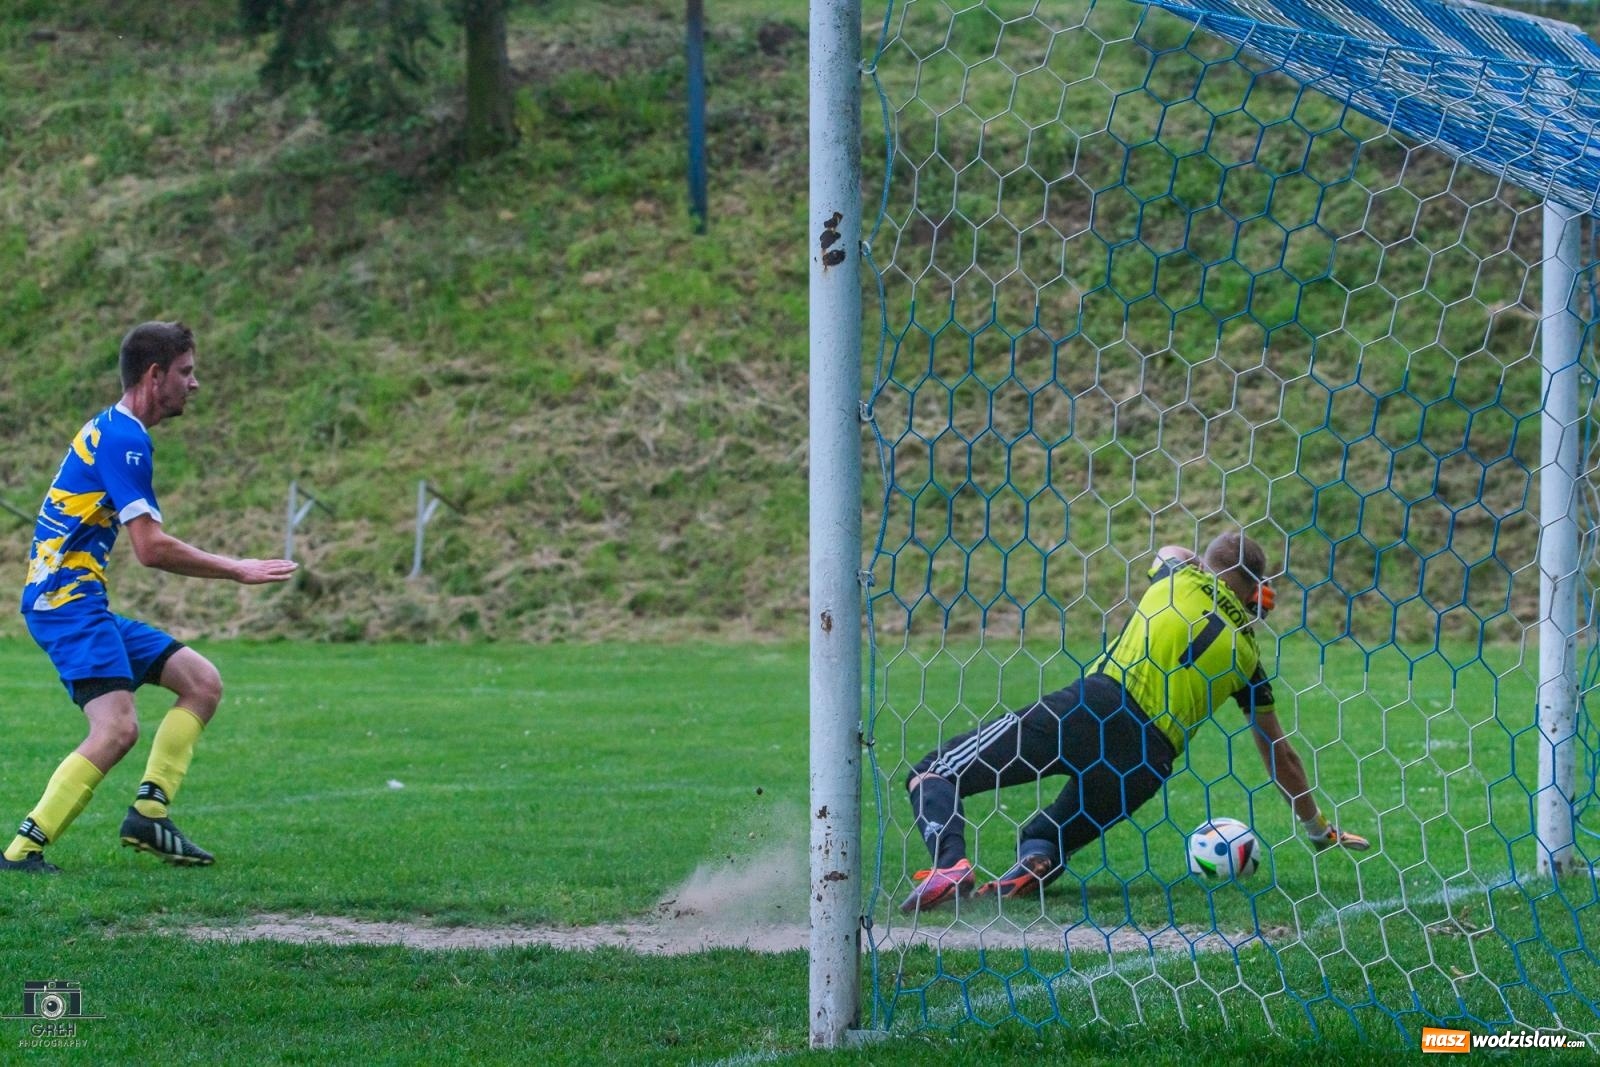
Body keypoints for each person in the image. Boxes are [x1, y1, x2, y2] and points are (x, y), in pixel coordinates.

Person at [900, 532, 1369, 913]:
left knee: (935, 772)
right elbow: (1278, 752)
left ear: (1208, 566)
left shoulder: (1180, 577)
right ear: (1256, 591)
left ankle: (948, 863)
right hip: (1147, 763)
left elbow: (1171, 548)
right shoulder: (1249, 658)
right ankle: (1035, 863)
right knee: (1048, 835)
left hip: (1096, 708)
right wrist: (1318, 829)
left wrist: (1208, 571)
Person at [1, 321, 297, 874]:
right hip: (65, 605)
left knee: (200, 682)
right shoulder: (125, 438)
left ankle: (148, 814)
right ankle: (22, 851)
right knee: (116, 729)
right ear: (155, 375)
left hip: (80, 602)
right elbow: (151, 548)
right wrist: (237, 569)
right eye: (186, 372)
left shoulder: (119, 431)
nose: (196, 383)